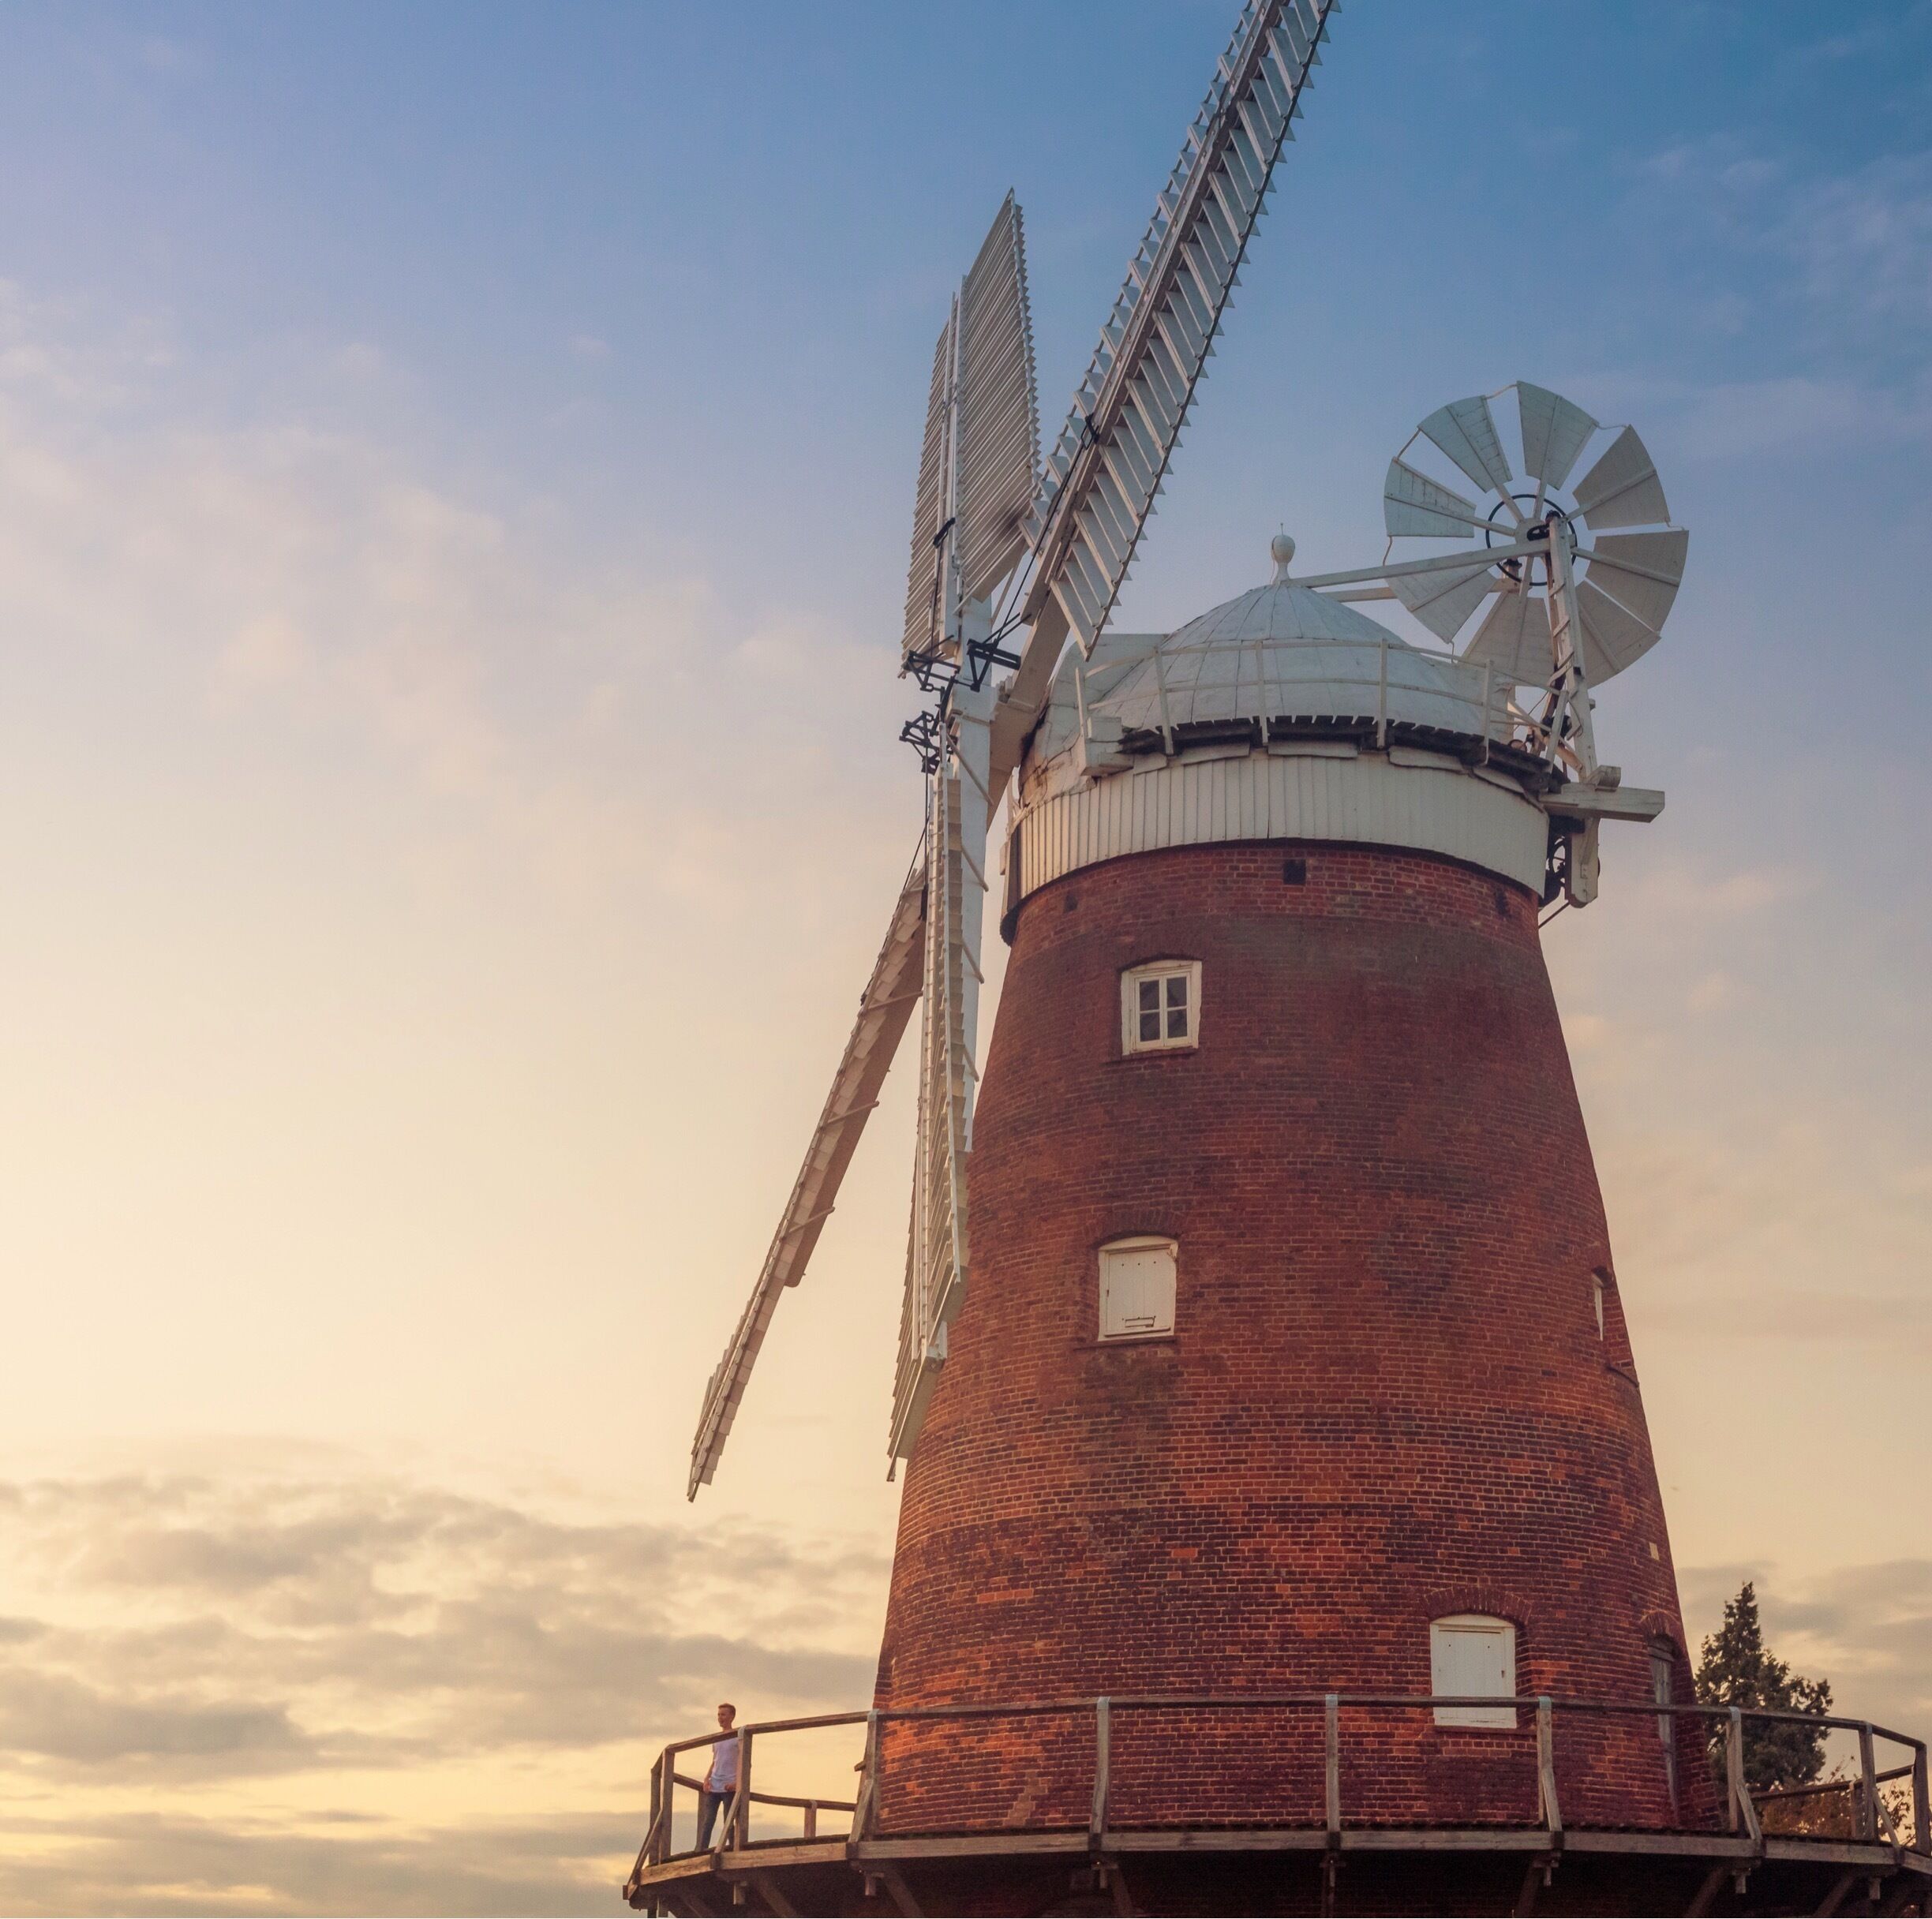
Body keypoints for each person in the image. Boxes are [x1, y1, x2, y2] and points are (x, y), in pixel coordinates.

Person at [695, 1702, 739, 1850]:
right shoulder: (716, 1739)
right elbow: (715, 1761)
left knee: (728, 1820)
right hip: (715, 1784)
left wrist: (737, 1782)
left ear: (732, 1717)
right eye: (719, 1715)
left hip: (729, 1785)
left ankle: (732, 1849)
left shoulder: (737, 1737)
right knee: (708, 1821)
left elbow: (744, 1762)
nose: (720, 1718)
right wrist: (706, 1779)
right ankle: (701, 1850)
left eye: (723, 1715)